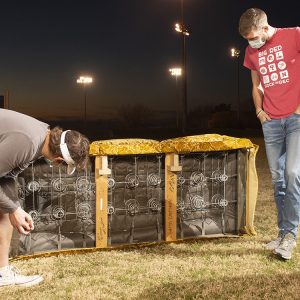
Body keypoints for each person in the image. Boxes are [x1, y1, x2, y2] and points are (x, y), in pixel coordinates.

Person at [0, 108, 90, 287]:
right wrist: (14, 209)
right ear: (59, 160)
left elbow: (6, 176)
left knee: (4, 210)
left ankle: (2, 273)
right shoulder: (27, 142)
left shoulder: (40, 136)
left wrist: (13, 208)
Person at [239, 8, 300, 259]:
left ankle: (291, 237)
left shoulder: (294, 35)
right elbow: (256, 85)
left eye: (254, 36)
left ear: (265, 27)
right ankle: (282, 232)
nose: (252, 42)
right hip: (271, 121)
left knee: (293, 173)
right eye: (247, 40)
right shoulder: (251, 51)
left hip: (296, 119)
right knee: (278, 179)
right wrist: (259, 111)